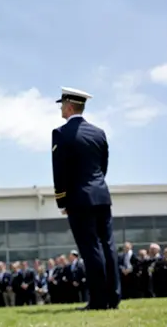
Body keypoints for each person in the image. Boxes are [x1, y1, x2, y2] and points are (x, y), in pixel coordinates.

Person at [52, 87, 120, 310]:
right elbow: (103, 167)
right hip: (101, 195)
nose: (61, 109)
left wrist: (62, 201)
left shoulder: (60, 133)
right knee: (107, 246)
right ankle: (113, 297)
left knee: (90, 248)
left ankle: (99, 300)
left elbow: (59, 171)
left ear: (69, 106)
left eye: (62, 105)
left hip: (79, 200)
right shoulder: (99, 132)